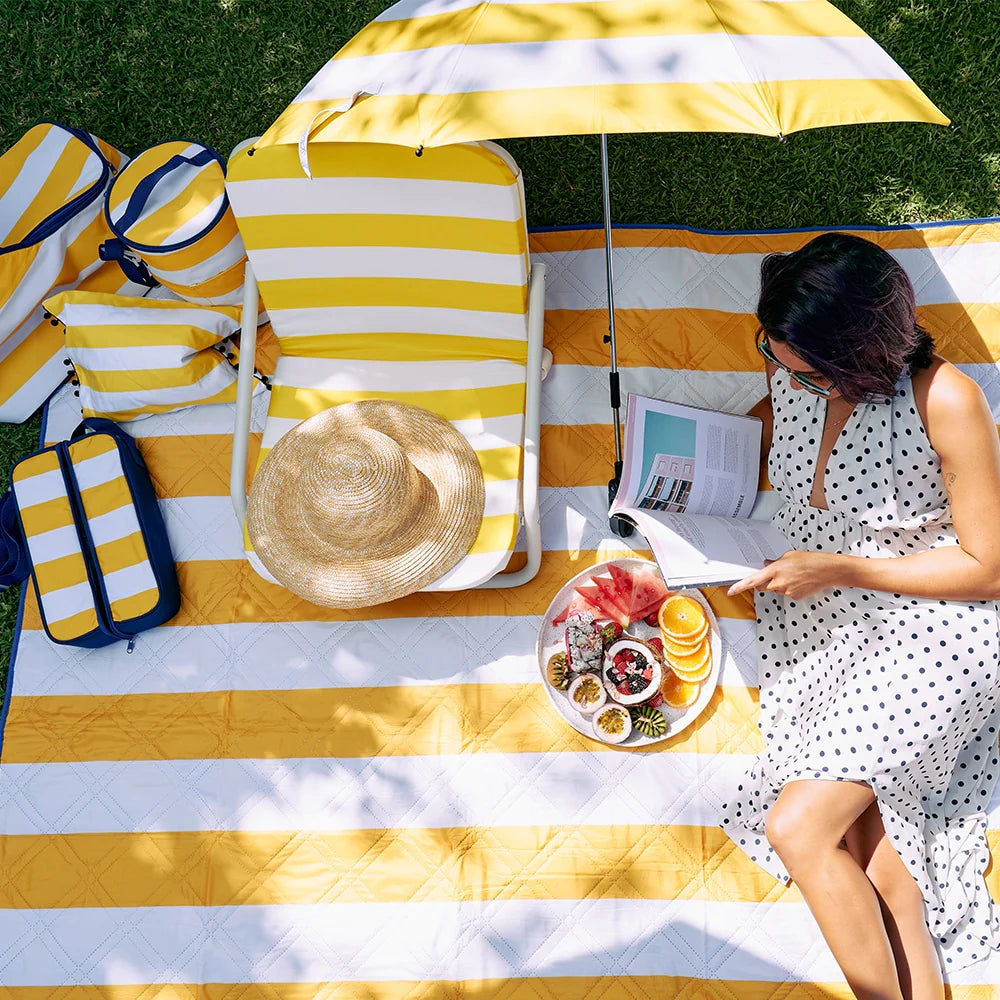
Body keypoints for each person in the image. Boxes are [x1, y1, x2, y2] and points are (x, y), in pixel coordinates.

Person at [719, 232, 1000, 1000]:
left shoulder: (946, 400)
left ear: (862, 355)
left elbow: (988, 570)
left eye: (806, 370)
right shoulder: (793, 363)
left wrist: (840, 568)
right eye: (774, 354)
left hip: (938, 622)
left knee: (798, 825)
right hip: (835, 619)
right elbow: (773, 422)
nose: (786, 375)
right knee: (873, 840)